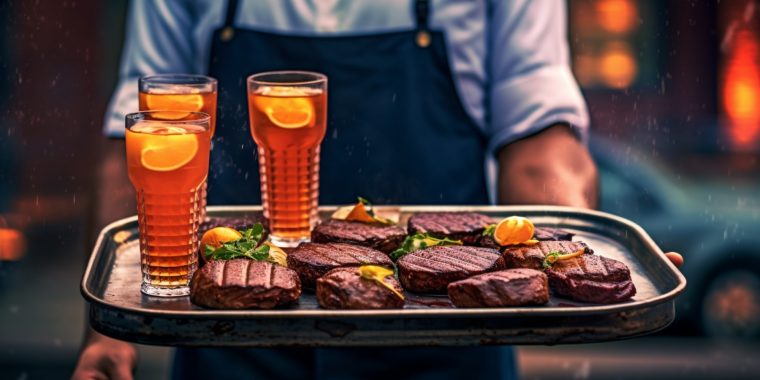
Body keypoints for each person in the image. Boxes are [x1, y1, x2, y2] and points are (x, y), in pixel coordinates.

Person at [74, 1, 683, 379]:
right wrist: (106, 335)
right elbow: (145, 139)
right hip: (235, 336)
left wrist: (569, 263)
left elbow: (539, 139)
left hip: (447, 337)